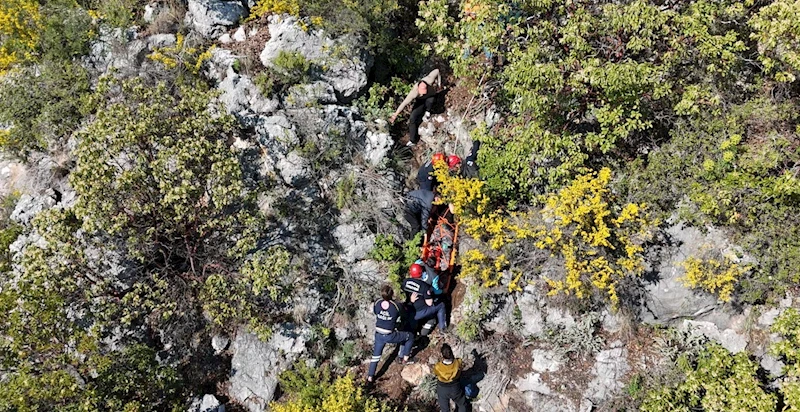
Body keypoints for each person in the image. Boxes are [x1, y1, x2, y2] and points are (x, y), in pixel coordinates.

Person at [367, 284, 416, 383]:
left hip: (378, 334)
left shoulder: (377, 302)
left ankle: (370, 377)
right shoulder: (396, 306)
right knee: (410, 336)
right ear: (392, 294)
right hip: (390, 335)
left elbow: (376, 312)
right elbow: (404, 314)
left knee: (375, 357)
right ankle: (405, 358)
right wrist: (411, 302)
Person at [389, 69, 442, 147]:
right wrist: (395, 114)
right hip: (420, 101)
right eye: (422, 92)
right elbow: (404, 103)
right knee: (412, 118)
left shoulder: (429, 80)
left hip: (431, 97)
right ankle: (413, 140)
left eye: (424, 91)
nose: (423, 93)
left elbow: (437, 70)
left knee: (430, 101)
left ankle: (428, 111)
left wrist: (439, 83)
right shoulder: (414, 92)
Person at [402, 263, 447, 335]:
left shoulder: (405, 282)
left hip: (410, 310)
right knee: (441, 305)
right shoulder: (424, 286)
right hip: (420, 311)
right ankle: (443, 328)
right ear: (421, 273)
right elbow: (429, 303)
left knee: (430, 319)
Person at [434, 344, 469, 412]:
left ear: (442, 355)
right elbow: (461, 368)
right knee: (462, 404)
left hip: (442, 388)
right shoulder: (458, 362)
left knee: (445, 409)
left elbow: (436, 374)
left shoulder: (438, 367)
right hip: (455, 387)